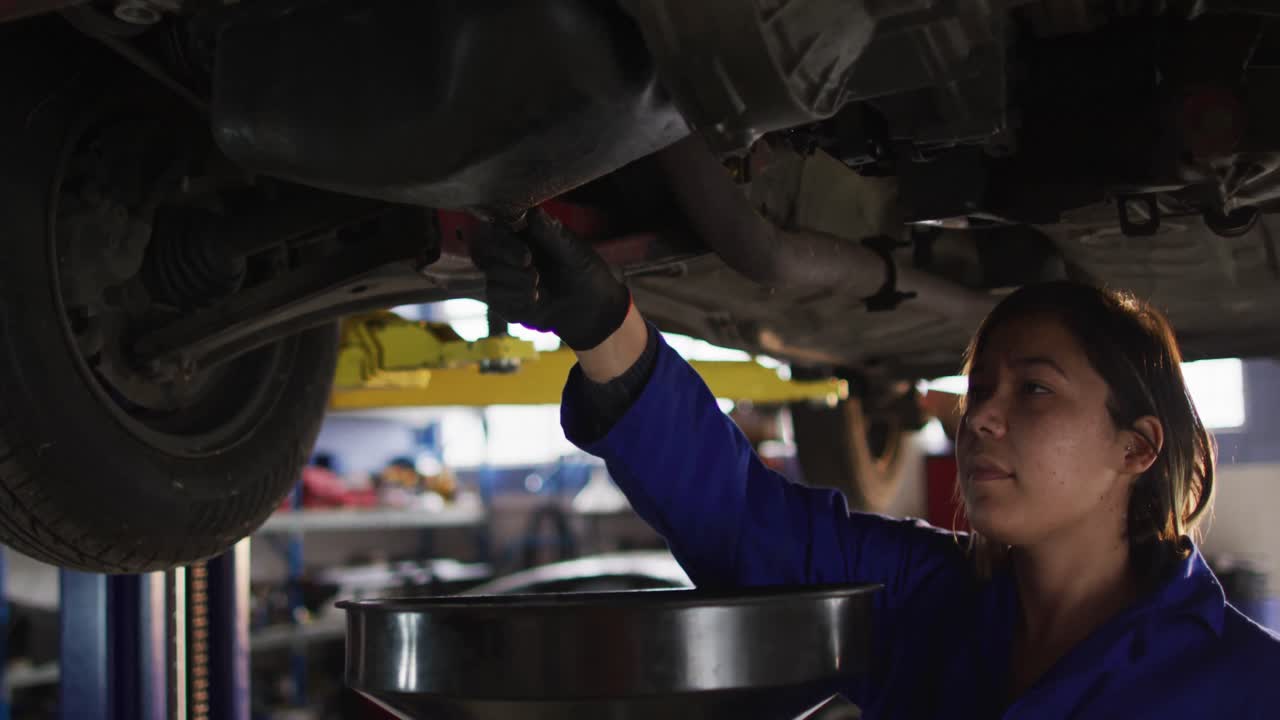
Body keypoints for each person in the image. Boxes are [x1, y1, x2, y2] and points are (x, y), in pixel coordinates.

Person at [472, 209, 1280, 718]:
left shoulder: (1248, 686)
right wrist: (605, 325)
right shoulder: (926, 598)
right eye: (980, 388)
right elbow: (740, 518)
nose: (980, 418)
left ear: (1136, 446)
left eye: (1034, 390)